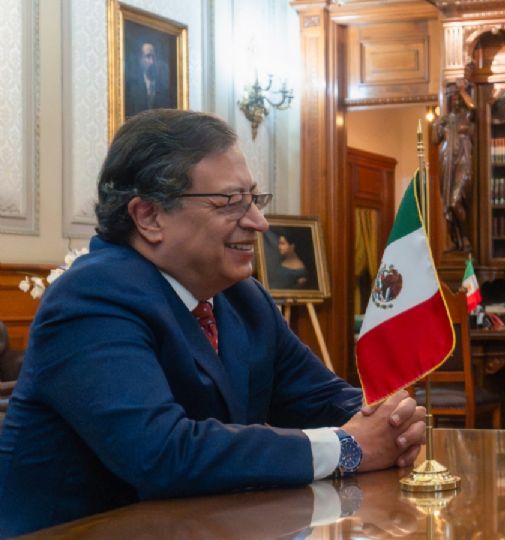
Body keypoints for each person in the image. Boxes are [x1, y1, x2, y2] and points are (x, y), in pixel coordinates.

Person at [0, 110, 426, 536]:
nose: (258, 223)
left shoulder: (244, 298)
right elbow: (163, 454)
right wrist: (348, 448)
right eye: (229, 203)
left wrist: (391, 420)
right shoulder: (91, 298)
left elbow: (322, 398)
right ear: (148, 216)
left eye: (254, 200)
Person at [434, 78, 475, 253]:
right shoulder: (443, 120)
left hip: (463, 161)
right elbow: (434, 140)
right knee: (448, 204)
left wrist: (462, 90)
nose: (454, 99)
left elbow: (474, 107)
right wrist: (436, 125)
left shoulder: (466, 117)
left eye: (456, 96)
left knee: (456, 200)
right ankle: (455, 240)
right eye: (450, 96)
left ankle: (466, 238)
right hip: (446, 161)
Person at [125, 41, 173, 118]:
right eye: (148, 57)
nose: (151, 62)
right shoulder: (131, 83)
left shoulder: (157, 81)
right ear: (138, 57)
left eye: (153, 57)